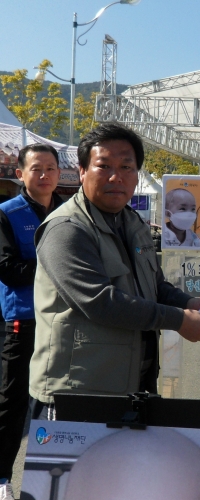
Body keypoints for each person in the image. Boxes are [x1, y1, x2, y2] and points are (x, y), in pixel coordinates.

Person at [29, 123, 200, 419]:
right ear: (82, 171)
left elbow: (155, 285)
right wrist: (178, 319)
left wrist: (188, 303)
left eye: (127, 167)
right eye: (104, 166)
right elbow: (100, 302)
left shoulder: (133, 223)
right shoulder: (66, 229)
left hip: (133, 385)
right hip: (80, 390)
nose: (116, 177)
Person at [0, 144, 63, 500]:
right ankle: (2, 479)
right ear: (21, 173)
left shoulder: (69, 211)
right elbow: (7, 269)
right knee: (13, 404)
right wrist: (59, 269)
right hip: (24, 322)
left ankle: (49, 479)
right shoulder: (6, 214)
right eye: (36, 168)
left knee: (56, 401)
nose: (44, 175)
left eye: (51, 168)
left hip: (64, 322)